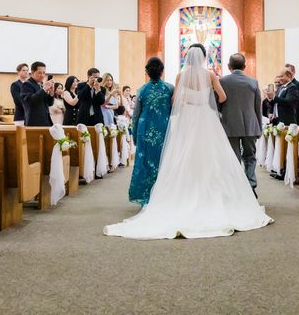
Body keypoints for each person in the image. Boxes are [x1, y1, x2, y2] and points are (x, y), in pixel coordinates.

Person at [104, 45, 272, 239]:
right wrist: (208, 101)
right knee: (210, 155)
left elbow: (175, 100)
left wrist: (188, 101)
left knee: (184, 155)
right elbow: (223, 96)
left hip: (188, 119)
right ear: (202, 58)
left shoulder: (180, 76)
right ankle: (213, 195)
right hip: (205, 117)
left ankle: (183, 193)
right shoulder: (210, 75)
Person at [127, 57, 174, 206]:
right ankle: (163, 195)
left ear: (147, 72)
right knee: (163, 161)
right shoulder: (170, 88)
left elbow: (136, 114)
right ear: (162, 71)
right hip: (163, 128)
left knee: (145, 161)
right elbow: (173, 110)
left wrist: (134, 134)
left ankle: (145, 196)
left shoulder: (142, 90)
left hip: (145, 128)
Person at [219, 53, 262, 195]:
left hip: (229, 125)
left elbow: (217, 104)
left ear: (228, 66)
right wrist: (259, 129)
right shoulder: (253, 82)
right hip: (250, 125)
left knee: (233, 157)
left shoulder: (222, 81)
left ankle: (236, 188)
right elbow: (257, 107)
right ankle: (251, 185)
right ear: (244, 66)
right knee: (250, 157)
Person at [20, 61, 55, 127]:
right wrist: (44, 89)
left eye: (44, 73)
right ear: (32, 72)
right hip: (34, 122)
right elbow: (31, 101)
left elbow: (49, 103)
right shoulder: (27, 84)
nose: (42, 75)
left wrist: (51, 93)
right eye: (39, 73)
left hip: (46, 121)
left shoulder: (40, 85)